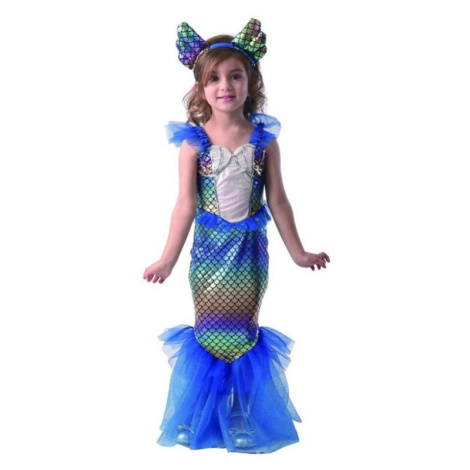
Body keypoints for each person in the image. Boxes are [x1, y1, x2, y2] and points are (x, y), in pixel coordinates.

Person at [143, 19, 330, 454]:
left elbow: (278, 200)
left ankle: (241, 413)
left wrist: (299, 252)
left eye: (235, 76)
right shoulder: (194, 144)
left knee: (244, 332)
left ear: (251, 82)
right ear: (200, 88)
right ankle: (200, 415)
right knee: (210, 331)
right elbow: (184, 205)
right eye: (214, 78)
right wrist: (167, 259)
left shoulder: (265, 142)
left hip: (249, 256)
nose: (224, 85)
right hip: (209, 257)